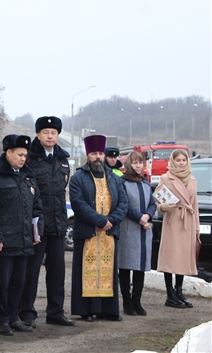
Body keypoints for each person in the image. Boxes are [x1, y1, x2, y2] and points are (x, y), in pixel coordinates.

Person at [19, 116, 74, 328]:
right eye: (45, 132)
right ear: (38, 135)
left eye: (53, 133)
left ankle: (55, 311)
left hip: (58, 222)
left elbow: (62, 190)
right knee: (31, 272)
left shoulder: (63, 160)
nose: (50, 136)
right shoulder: (30, 159)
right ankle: (27, 313)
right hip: (37, 224)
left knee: (57, 271)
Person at [0, 134, 43, 336]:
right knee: (3, 283)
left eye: (25, 155)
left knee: (19, 282)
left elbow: (37, 207)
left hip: (25, 240)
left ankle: (13, 317)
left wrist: (38, 231)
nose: (23, 158)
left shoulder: (28, 177)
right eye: (19, 154)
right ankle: (1, 320)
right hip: (5, 241)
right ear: (8, 152)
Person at [69, 134, 128, 322]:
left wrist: (111, 220)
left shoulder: (115, 178)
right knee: (86, 271)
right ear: (88, 155)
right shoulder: (78, 177)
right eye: (94, 153)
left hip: (109, 233)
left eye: (100, 153)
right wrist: (99, 220)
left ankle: (108, 310)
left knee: (108, 271)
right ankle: (86, 310)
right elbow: (78, 203)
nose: (98, 157)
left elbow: (123, 203)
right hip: (88, 232)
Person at [155, 149, 200, 309]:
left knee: (182, 258)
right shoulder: (166, 178)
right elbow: (157, 200)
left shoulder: (192, 179)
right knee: (170, 258)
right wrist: (163, 207)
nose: (181, 163)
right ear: (173, 161)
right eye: (178, 160)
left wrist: (197, 229)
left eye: (183, 160)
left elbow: (194, 205)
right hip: (173, 220)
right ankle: (170, 294)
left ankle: (179, 291)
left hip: (188, 221)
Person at [118, 151, 157, 316]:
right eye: (134, 163)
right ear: (128, 165)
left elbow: (152, 204)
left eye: (140, 163)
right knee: (126, 267)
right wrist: (139, 217)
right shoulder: (122, 183)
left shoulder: (146, 184)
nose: (138, 166)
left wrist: (147, 215)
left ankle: (137, 302)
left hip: (144, 230)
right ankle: (127, 303)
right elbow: (123, 205)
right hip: (129, 230)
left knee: (140, 268)